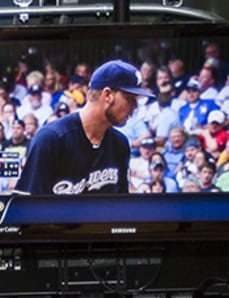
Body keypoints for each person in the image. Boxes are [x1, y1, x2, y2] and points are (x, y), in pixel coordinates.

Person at [11, 59, 152, 196]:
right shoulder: (51, 139)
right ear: (108, 95)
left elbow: (120, 206)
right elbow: (29, 207)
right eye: (130, 99)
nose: (134, 107)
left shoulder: (119, 144)